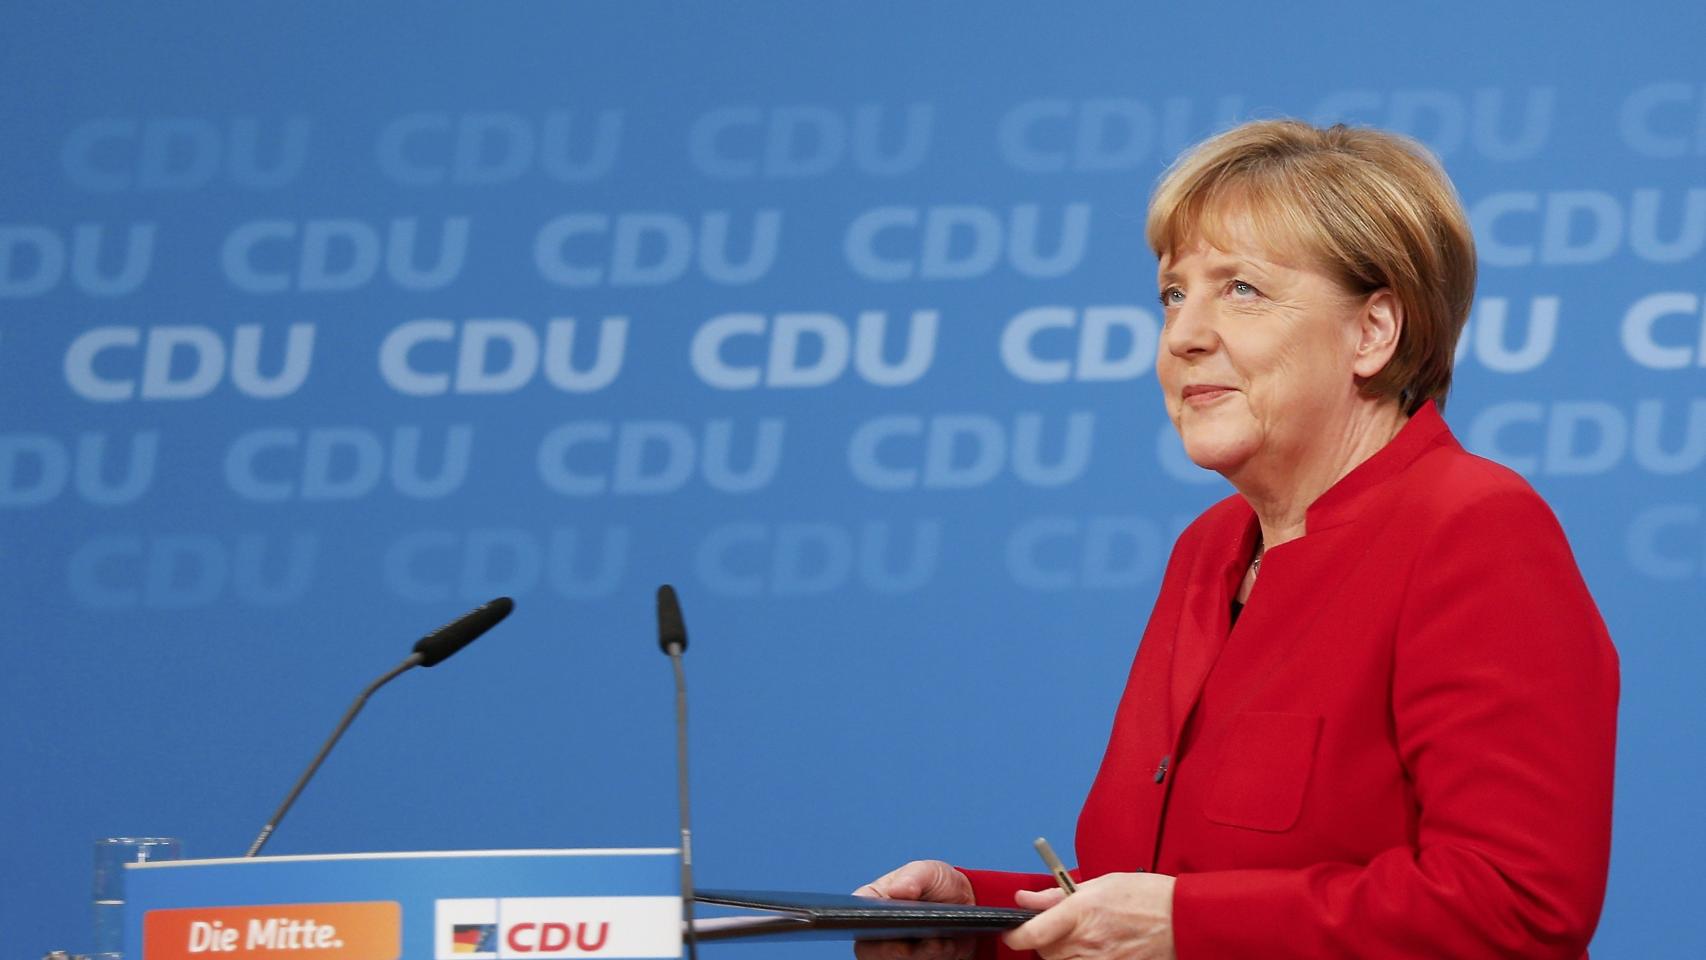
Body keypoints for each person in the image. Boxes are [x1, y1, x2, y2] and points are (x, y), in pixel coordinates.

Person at [855, 120, 1619, 959]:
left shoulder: (1473, 529)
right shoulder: (1209, 548)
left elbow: (1516, 909)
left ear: (1374, 332)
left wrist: (1187, 927)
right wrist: (977, 920)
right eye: (1174, 294)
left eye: (1242, 290)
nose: (1183, 334)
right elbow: (1156, 882)